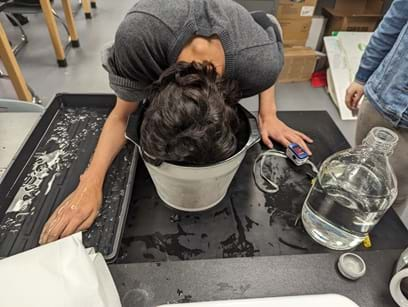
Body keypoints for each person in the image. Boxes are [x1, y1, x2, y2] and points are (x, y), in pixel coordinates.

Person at [39, 0, 313, 244]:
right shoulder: (138, 40)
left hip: (240, 38)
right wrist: (90, 183)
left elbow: (271, 26)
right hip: (156, 31)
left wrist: (269, 114)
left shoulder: (259, 62)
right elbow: (121, 116)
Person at [345, 0, 407, 219]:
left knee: (391, 196)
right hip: (381, 97)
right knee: (356, 175)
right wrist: (362, 76)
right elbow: (392, 24)